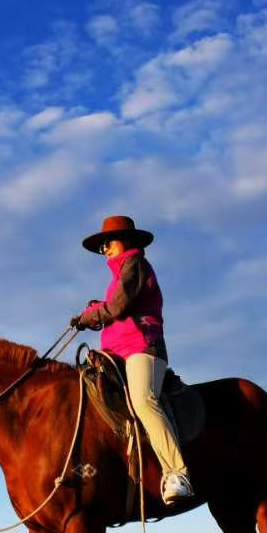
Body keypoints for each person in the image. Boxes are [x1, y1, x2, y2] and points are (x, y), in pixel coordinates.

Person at [71, 215, 194, 505]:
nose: (105, 250)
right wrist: (94, 310)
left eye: (108, 244)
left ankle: (178, 472)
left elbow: (119, 306)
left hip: (143, 347)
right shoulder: (118, 275)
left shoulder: (135, 264)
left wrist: (92, 315)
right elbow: (111, 305)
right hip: (117, 351)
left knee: (142, 400)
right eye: (102, 247)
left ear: (125, 241)